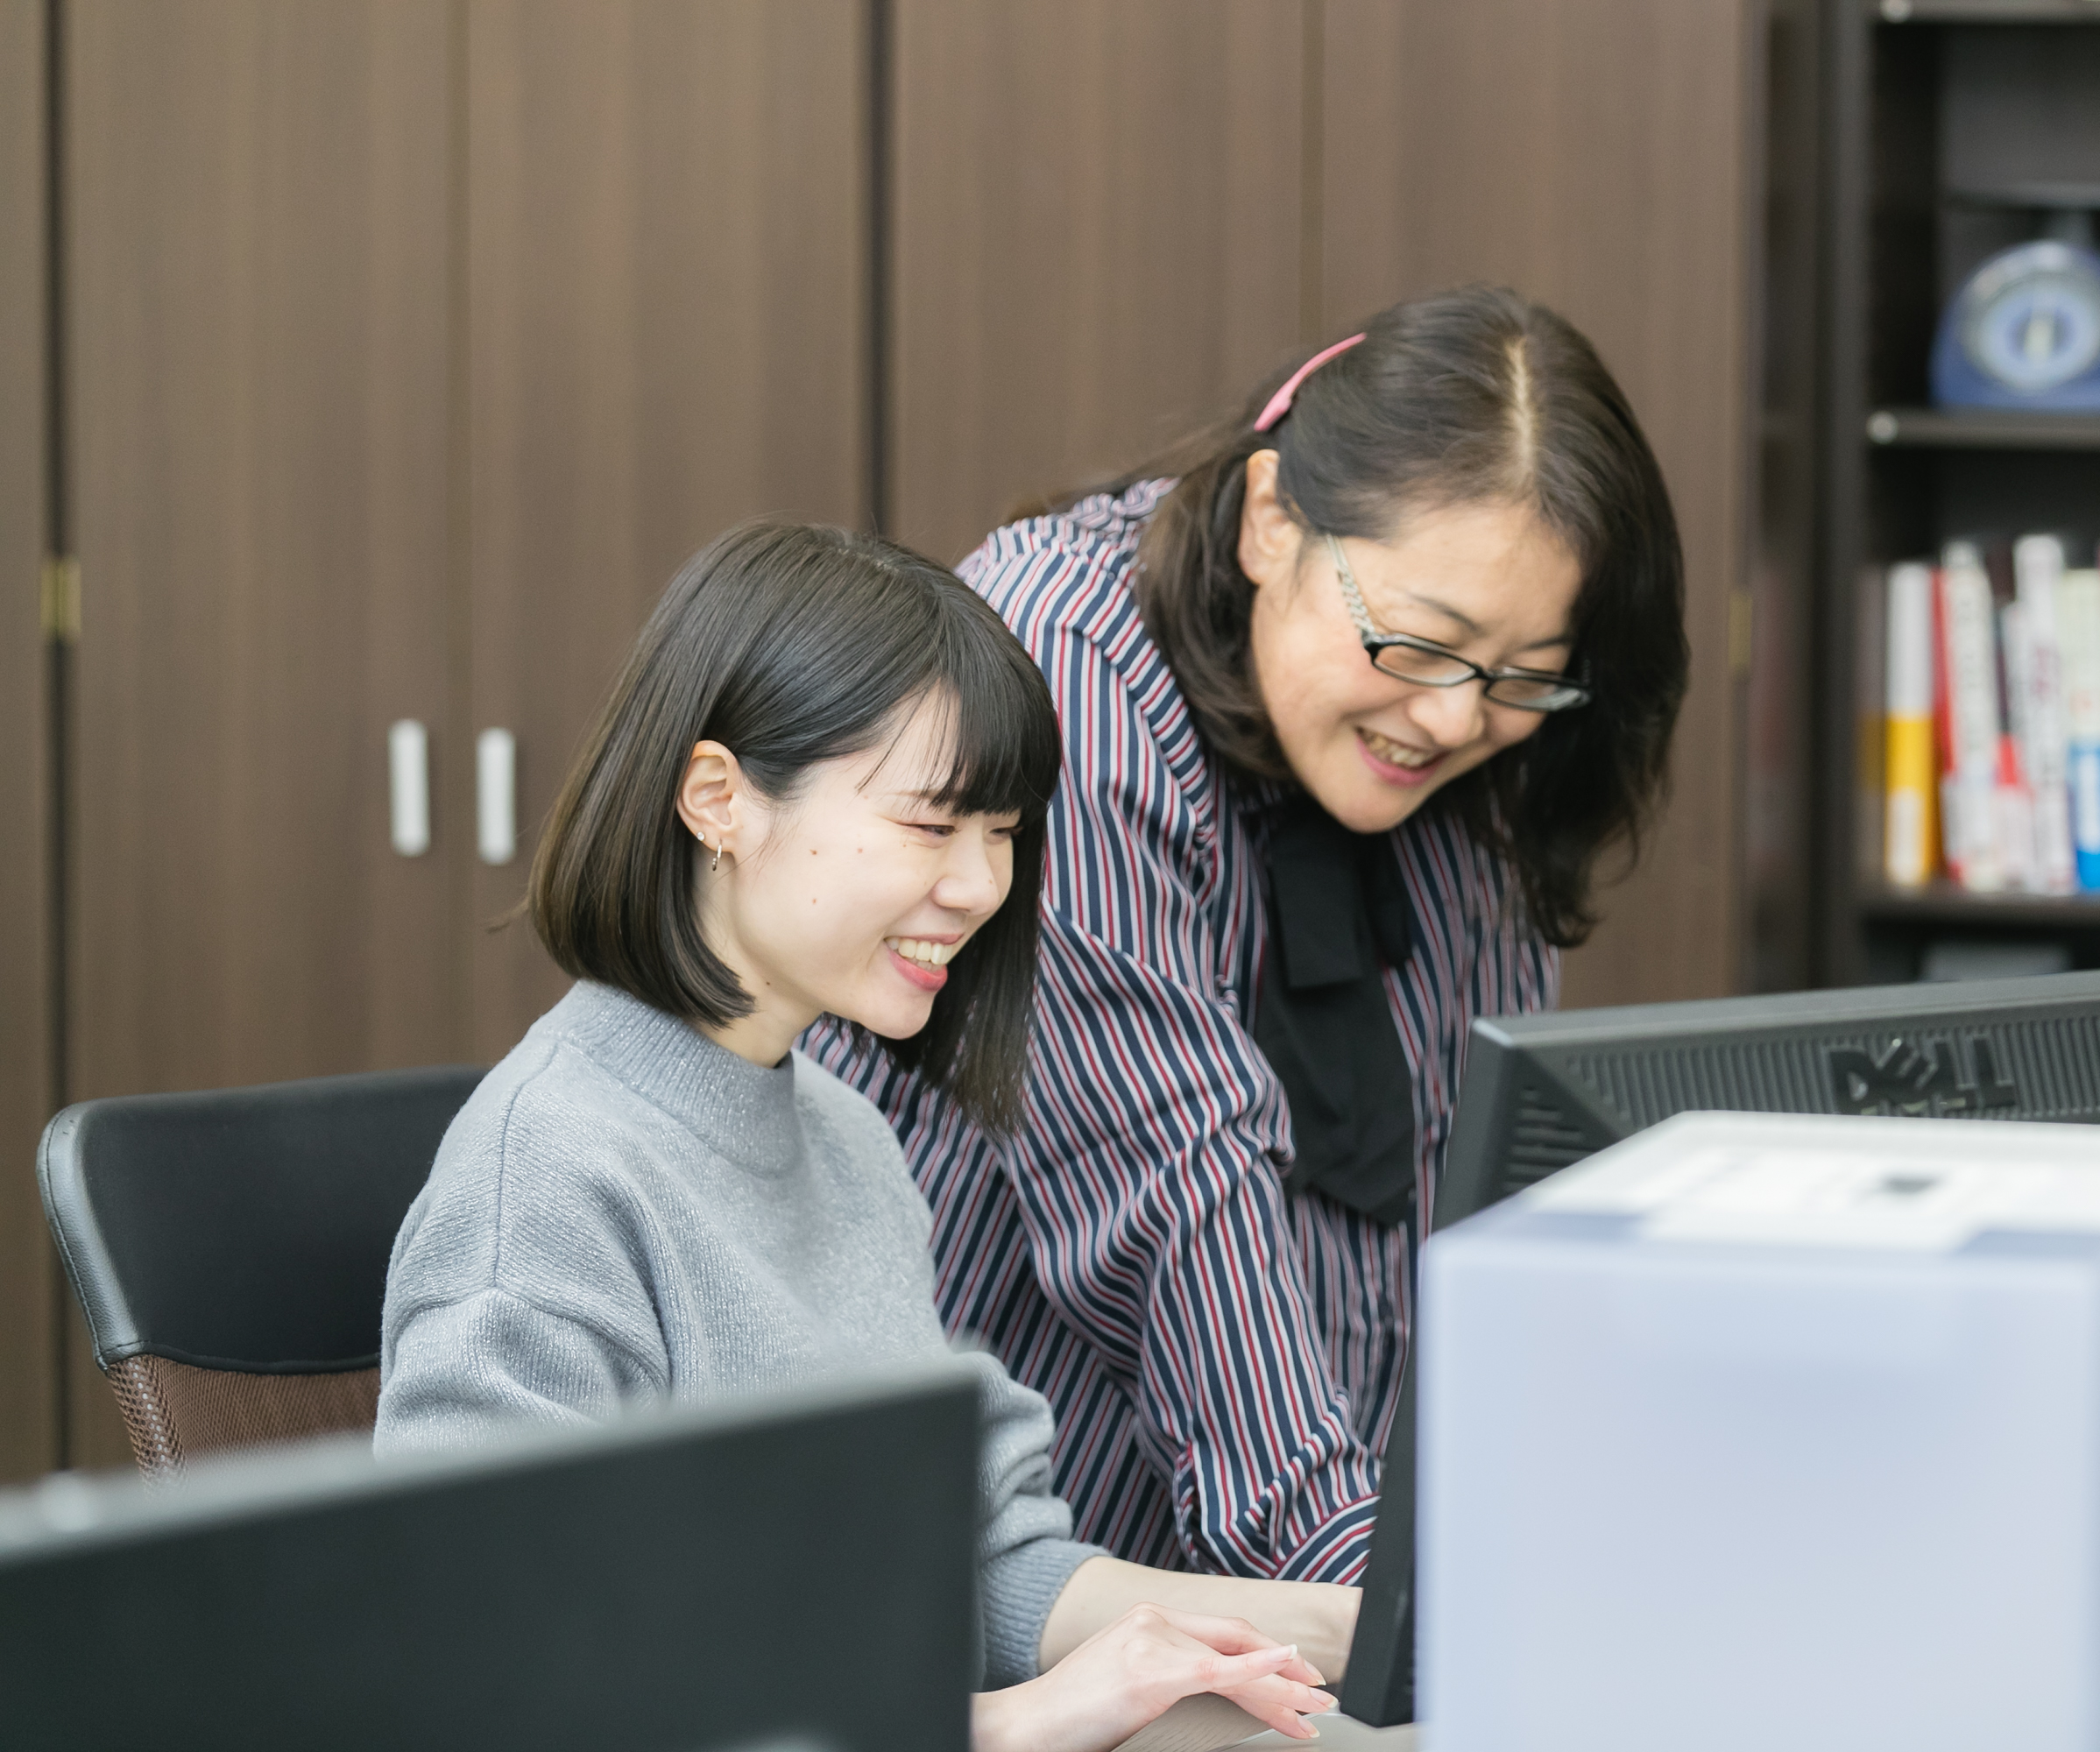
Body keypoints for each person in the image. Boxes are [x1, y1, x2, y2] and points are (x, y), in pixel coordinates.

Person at [376, 521, 1358, 1752]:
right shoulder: (547, 1182)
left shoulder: (847, 1137)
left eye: (1002, 832)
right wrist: (1003, 1728)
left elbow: (990, 1557)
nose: (981, 886)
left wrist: (1338, 1632)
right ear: (719, 799)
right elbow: (505, 1684)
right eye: (930, 824)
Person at [810, 285, 1688, 1581]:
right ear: (1273, 518)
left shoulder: (1458, 745)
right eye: (1421, 644)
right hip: (977, 1585)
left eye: (1519, 675)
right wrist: (1368, 1609)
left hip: (1285, 1591)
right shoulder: (1066, 675)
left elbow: (1492, 1191)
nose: (1451, 723)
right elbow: (1172, 1205)